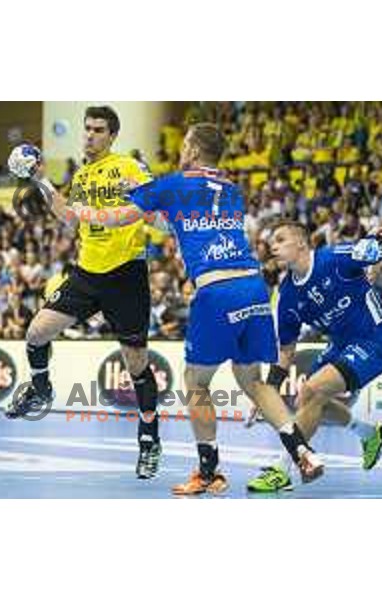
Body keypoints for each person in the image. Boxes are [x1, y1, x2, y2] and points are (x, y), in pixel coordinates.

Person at [73, 122, 324, 495]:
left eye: (184, 145)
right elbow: (172, 220)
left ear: (190, 150)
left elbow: (121, 217)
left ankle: (209, 472)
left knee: (195, 382)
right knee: (252, 381)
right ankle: (302, 449)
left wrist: (81, 211)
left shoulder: (173, 183)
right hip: (253, 288)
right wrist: (144, 197)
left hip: (216, 290)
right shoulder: (231, 190)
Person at [246, 221, 382, 492]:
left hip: (376, 339)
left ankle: (284, 468)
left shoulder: (335, 257)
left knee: (314, 389)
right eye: (272, 243)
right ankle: (370, 433)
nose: (273, 246)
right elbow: (287, 350)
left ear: (301, 242)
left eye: (280, 239)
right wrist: (268, 391)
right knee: (307, 397)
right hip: (340, 344)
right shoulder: (289, 296)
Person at [5, 106, 163, 480]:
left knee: (136, 363)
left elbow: (152, 206)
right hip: (86, 272)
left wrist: (142, 201)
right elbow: (70, 218)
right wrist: (41, 181)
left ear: (111, 136)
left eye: (97, 130)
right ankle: (40, 389)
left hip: (126, 274)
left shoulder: (129, 166)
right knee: (36, 331)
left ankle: (149, 440)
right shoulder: (81, 175)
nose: (89, 135)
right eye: (87, 128)